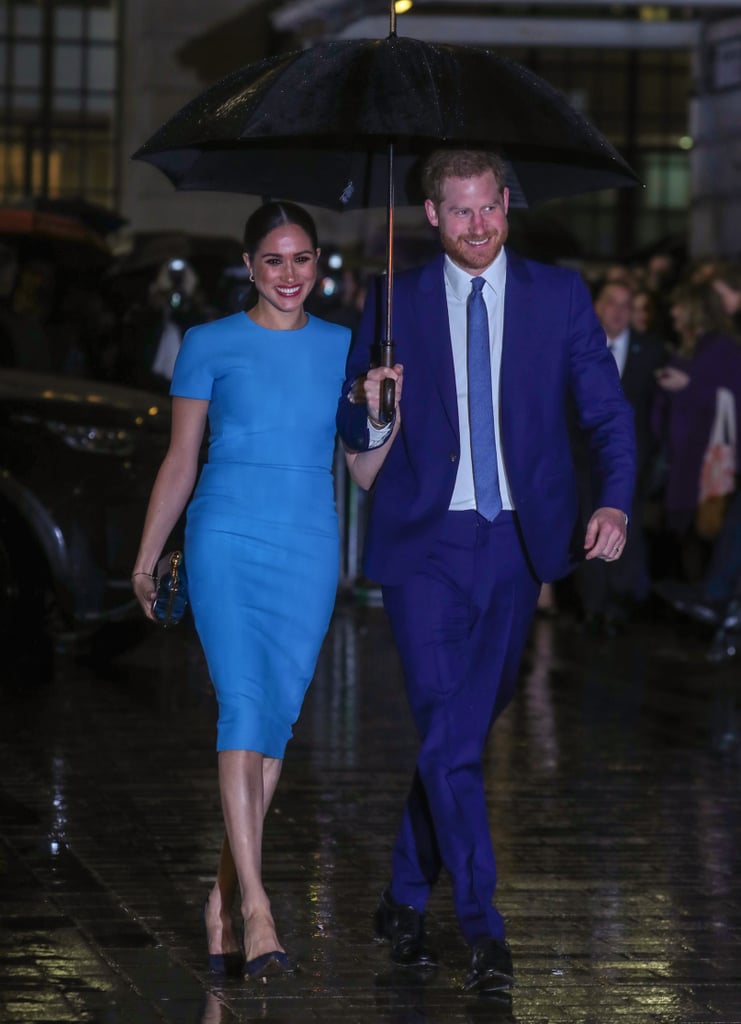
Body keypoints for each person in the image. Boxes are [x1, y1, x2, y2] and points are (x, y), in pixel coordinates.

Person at [336, 150, 635, 996]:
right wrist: (370, 404)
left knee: (454, 739)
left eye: (489, 209)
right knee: (448, 731)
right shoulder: (393, 299)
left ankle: (401, 894)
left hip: (516, 546)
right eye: (460, 213)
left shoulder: (556, 295)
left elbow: (607, 414)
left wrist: (613, 501)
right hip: (424, 543)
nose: (478, 227)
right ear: (431, 215)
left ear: (507, 203)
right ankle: (481, 926)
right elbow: (352, 427)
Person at [131, 201, 350, 979]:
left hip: (308, 545)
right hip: (224, 535)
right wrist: (148, 555)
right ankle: (257, 908)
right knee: (242, 710)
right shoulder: (208, 342)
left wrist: (384, 416)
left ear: (317, 262)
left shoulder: (346, 347)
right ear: (249, 266)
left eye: (304, 258)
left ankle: (221, 895)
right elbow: (180, 459)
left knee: (273, 731)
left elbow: (363, 470)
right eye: (275, 260)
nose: (291, 275)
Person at [575, 277, 666, 630]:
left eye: (626, 304)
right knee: (588, 527)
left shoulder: (653, 352)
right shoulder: (578, 346)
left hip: (632, 463)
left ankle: (620, 601)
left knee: (626, 527)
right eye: (611, 302)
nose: (618, 311)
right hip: (581, 460)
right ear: (597, 306)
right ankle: (593, 606)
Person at [652, 280, 741, 582]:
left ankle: (704, 609)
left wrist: (687, 386)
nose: (673, 312)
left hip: (707, 462)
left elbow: (731, 398)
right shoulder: (687, 350)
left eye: (679, 306)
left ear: (696, 311)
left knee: (705, 536)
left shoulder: (723, 349)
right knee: (687, 537)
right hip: (683, 458)